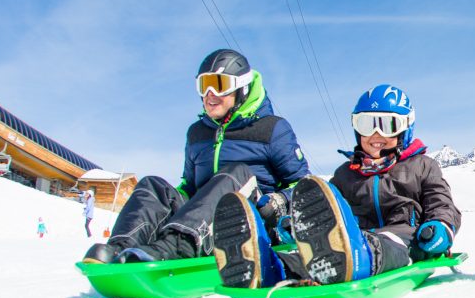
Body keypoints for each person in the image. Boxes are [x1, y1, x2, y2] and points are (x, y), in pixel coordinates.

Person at [213, 84, 462, 289]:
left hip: (405, 238)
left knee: (384, 244)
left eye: (386, 125)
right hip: (352, 239)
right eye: (366, 125)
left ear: (405, 129)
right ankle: (268, 267)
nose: (375, 134)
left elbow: (441, 202)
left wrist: (440, 227)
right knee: (316, 253)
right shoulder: (346, 174)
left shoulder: (422, 166)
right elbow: (327, 207)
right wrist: (298, 224)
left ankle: (358, 259)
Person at [81, 49, 309, 264]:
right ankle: (122, 247)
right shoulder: (197, 133)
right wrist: (166, 202)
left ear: (243, 88)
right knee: (154, 185)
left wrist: (279, 201)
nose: (210, 95)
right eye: (204, 85)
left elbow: (303, 184)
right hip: (202, 223)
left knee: (234, 173)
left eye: (219, 85)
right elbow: (189, 187)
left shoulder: (271, 128)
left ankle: (177, 247)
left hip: (251, 222)